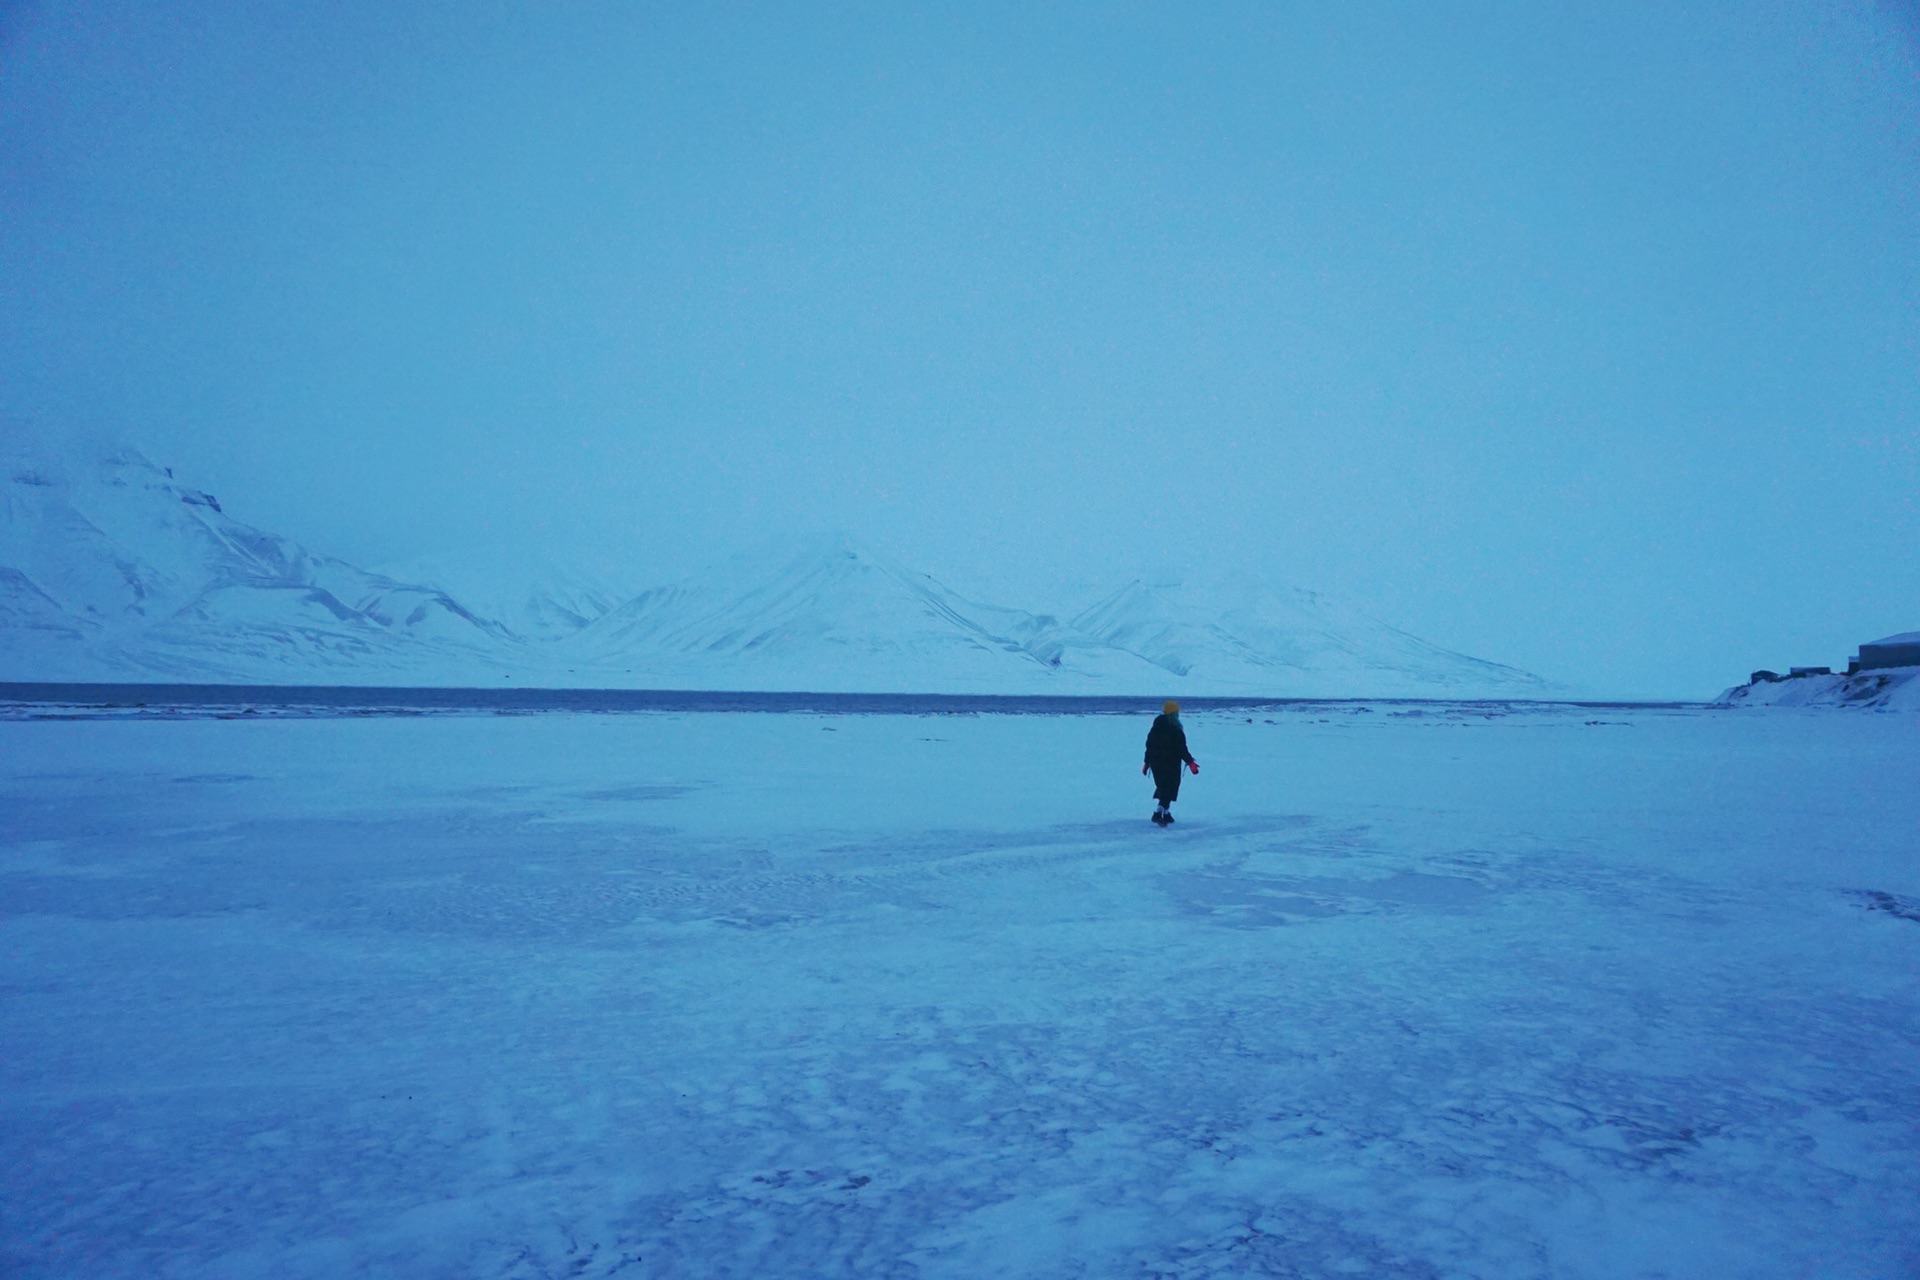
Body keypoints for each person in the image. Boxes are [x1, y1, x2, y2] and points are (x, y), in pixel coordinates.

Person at [1142, 699, 1198, 826]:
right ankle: (1157, 814)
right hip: (1170, 765)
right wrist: (1190, 762)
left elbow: (1149, 746)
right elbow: (1181, 749)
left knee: (1163, 788)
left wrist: (1147, 763)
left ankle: (1166, 814)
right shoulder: (1176, 730)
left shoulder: (1155, 728)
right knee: (1169, 789)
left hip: (1157, 764)